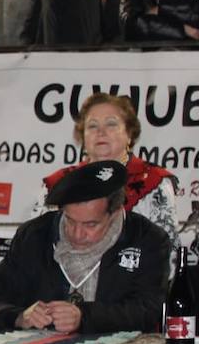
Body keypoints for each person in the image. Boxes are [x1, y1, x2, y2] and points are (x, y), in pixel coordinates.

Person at [0, 160, 168, 333]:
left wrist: (84, 317)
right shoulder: (34, 235)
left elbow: (147, 310)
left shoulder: (146, 239)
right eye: (70, 220)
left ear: (116, 212)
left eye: (90, 225)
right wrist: (19, 317)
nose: (77, 233)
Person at [35, 93, 177, 249]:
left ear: (129, 133)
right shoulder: (58, 183)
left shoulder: (154, 182)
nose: (101, 132)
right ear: (83, 135)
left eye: (111, 124)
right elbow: (35, 245)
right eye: (92, 126)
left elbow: (167, 252)